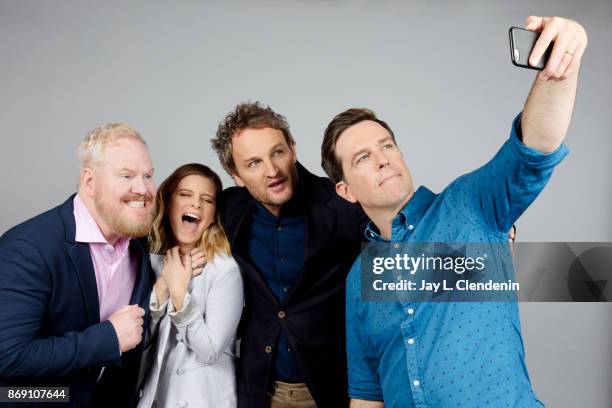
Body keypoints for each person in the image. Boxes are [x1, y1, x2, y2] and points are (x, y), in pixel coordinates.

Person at [320, 15, 587, 408]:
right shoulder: (360, 278)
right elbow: (366, 395)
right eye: (363, 157)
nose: (383, 159)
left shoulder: (469, 207)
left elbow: (533, 149)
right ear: (344, 189)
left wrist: (560, 72)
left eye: (387, 145)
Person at [211, 102, 368, 407]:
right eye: (254, 163)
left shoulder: (342, 205)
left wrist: (482, 269)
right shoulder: (229, 210)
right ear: (236, 175)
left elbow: (403, 253)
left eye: (277, 152)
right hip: (259, 389)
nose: (272, 171)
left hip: (330, 389)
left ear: (293, 149)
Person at [0, 124, 156, 407]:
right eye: (126, 175)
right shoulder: (30, 248)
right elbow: (9, 356)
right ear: (89, 182)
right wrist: (108, 338)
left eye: (148, 175)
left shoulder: (141, 247)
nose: (143, 188)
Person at [137, 163, 243, 408]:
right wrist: (163, 285)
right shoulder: (148, 262)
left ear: (214, 214)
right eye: (185, 195)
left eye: (207, 200)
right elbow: (137, 343)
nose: (196, 204)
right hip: (154, 398)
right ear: (168, 202)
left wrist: (178, 294)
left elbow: (210, 351)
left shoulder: (223, 270)